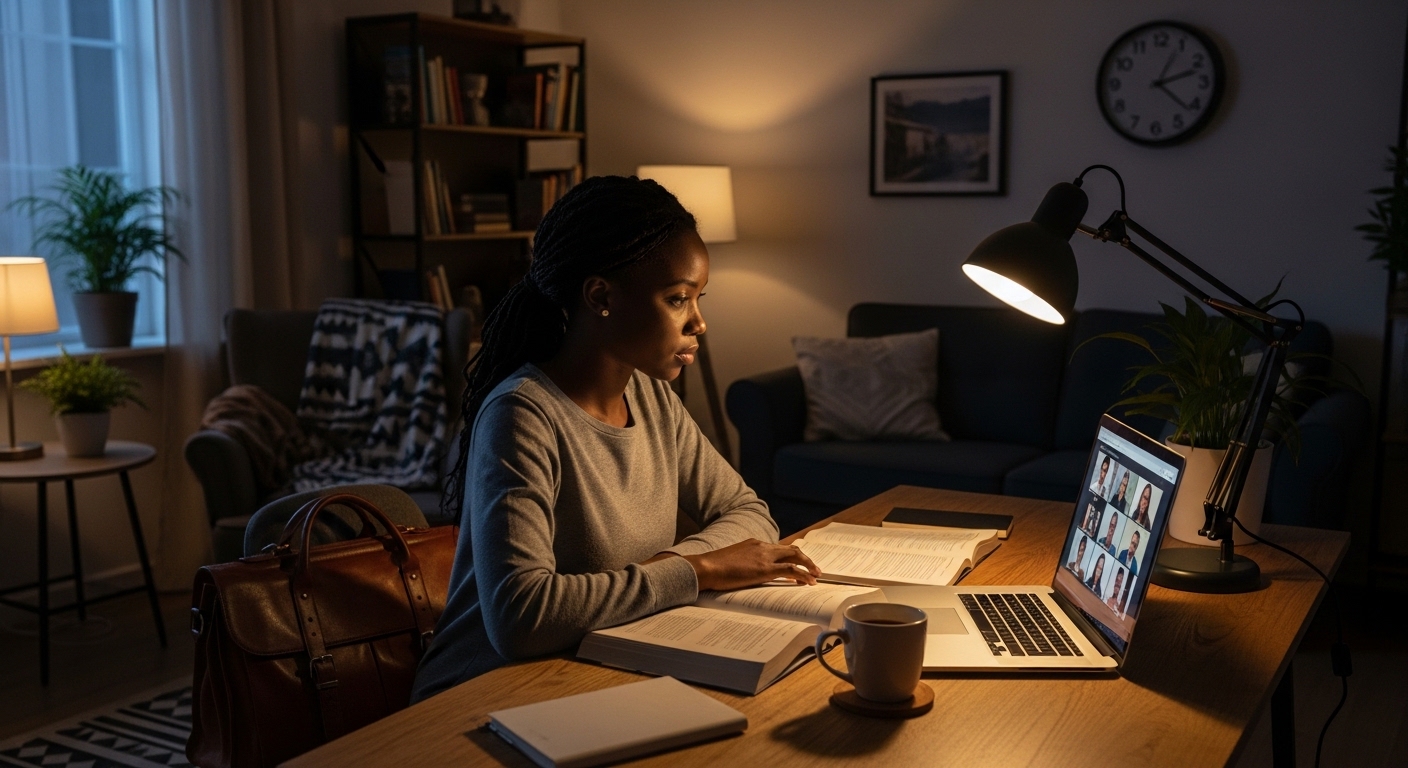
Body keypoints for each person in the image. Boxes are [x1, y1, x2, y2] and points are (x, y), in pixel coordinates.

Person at [411, 177, 818, 703]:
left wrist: (665, 575)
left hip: (599, 663)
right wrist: (699, 569)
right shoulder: (522, 416)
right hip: (482, 694)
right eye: (677, 299)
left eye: (698, 298)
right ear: (600, 296)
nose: (699, 322)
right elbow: (523, 618)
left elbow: (749, 512)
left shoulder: (651, 397)